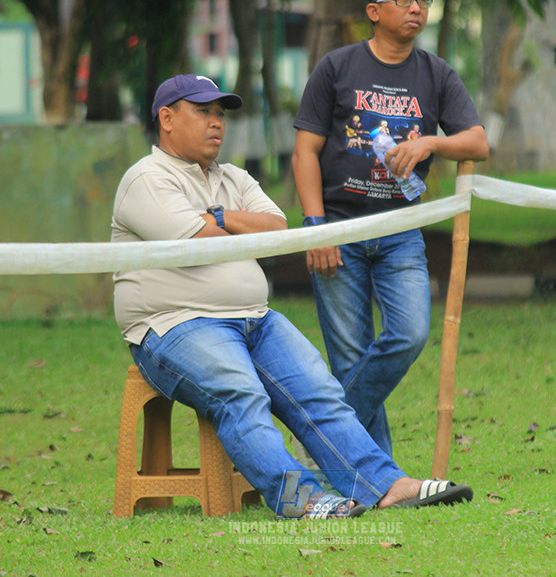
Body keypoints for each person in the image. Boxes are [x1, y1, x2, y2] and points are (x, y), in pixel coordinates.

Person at [112, 73, 473, 518]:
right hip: (175, 326)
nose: (216, 122)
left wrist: (220, 216)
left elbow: (277, 229)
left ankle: (387, 485)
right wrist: (232, 223)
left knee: (321, 391)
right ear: (167, 119)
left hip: (255, 319)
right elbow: (196, 240)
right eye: (203, 111)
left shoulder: (234, 177)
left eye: (220, 113)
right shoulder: (146, 179)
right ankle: (304, 500)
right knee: (240, 393)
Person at [292, 0, 489, 456]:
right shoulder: (337, 67)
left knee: (409, 334)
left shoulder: (436, 74)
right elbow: (304, 152)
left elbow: (478, 142)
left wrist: (429, 143)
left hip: (402, 229)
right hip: (338, 229)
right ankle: (376, 476)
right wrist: (316, 229)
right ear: (374, 12)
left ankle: (322, 433)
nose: (416, 7)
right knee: (350, 357)